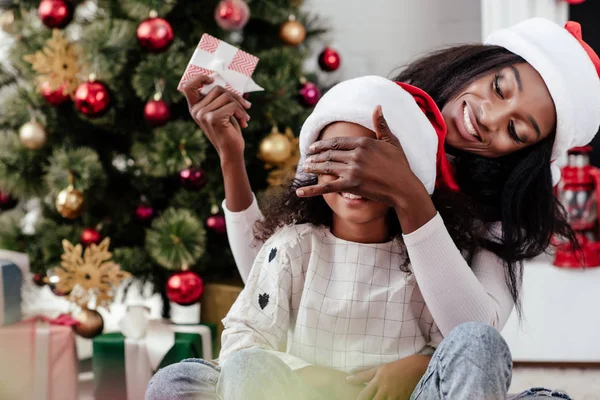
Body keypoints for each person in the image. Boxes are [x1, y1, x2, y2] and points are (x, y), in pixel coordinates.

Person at [146, 18, 600, 400]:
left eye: (517, 131)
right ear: (480, 63)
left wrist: (408, 195)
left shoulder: (495, 207)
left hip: (419, 381)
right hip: (314, 379)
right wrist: (230, 154)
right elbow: (267, 273)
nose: (488, 117)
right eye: (499, 87)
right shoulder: (375, 107)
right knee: (179, 381)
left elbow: (473, 335)